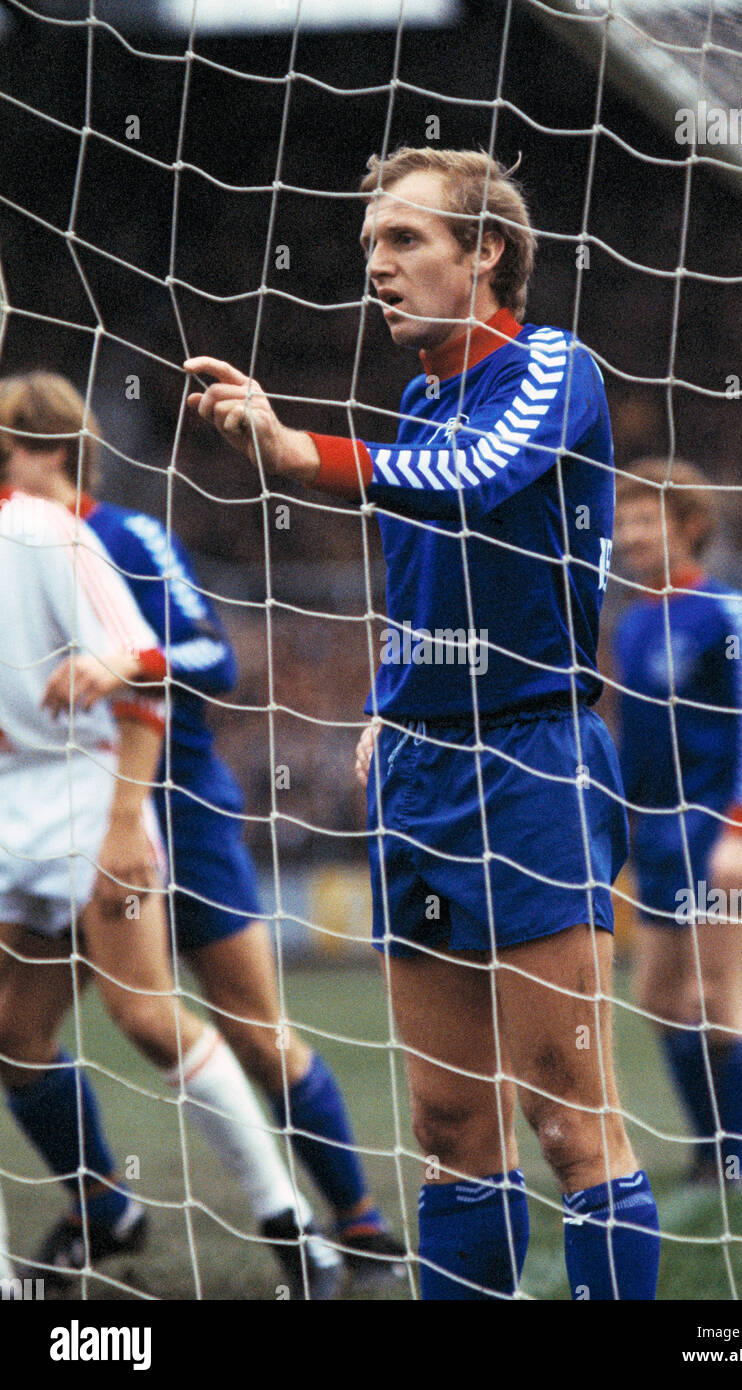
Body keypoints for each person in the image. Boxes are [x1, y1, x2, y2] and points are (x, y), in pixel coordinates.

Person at [184, 147, 661, 1300]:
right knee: (450, 1123)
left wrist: (301, 452)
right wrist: (388, 704)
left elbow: (477, 477)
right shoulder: (417, 399)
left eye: (405, 242)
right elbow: (425, 586)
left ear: (486, 251)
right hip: (424, 774)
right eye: (369, 250)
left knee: (568, 1120)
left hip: (532, 768)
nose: (378, 270)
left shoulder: (552, 366)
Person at [0, 371, 405, 1287]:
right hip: (66, 815)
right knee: (17, 1029)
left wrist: (126, 660)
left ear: (55, 450)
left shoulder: (124, 536)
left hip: (177, 804)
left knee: (252, 1032)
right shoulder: (12, 544)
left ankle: (357, 1224)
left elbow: (214, 657)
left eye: (8, 447)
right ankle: (102, 1205)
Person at [612, 458, 742, 1186]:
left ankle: (734, 1159)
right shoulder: (633, 621)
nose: (625, 535)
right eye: (620, 521)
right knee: (656, 998)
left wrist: (740, 829)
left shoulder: (726, 614)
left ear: (690, 527)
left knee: (714, 997)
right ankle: (706, 1148)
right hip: (655, 835)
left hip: (717, 830)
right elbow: (637, 744)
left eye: (644, 520)